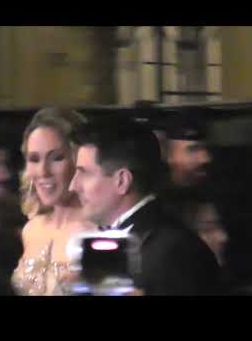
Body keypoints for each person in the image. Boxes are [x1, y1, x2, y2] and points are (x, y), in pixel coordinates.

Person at [69, 117, 220, 295]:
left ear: (122, 181)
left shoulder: (174, 253)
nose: (73, 186)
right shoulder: (106, 242)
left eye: (84, 174)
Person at [11, 108, 96, 296]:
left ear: (79, 160)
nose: (43, 172)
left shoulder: (98, 232)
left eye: (56, 158)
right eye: (34, 159)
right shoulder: (31, 229)